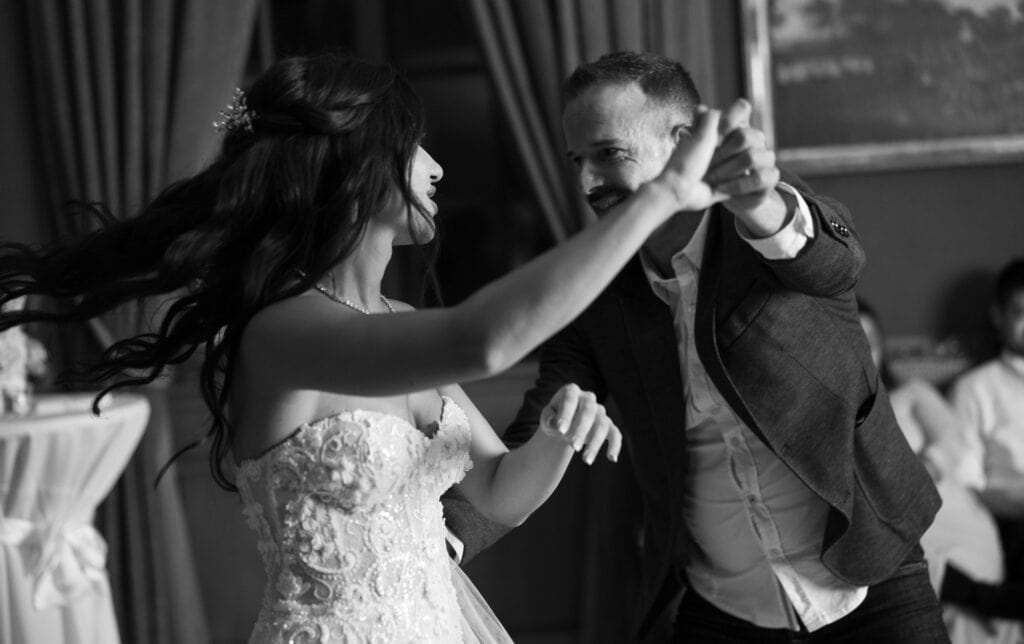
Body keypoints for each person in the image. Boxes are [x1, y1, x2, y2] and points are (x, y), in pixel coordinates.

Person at [0, 53, 737, 643]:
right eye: (415, 147)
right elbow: (484, 340)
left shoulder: (395, 319)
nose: (437, 168)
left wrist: (554, 436)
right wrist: (660, 196)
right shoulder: (284, 331)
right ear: (357, 166)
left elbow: (497, 494)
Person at [450, 51, 948, 642]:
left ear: (684, 144)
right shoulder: (593, 289)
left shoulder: (765, 229)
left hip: (869, 578)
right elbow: (539, 424)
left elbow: (835, 264)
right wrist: (442, 538)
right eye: (577, 160)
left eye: (608, 153)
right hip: (723, 608)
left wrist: (762, 202)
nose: (585, 183)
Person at [859, 300, 1023, 643]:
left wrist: (925, 467)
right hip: (898, 532)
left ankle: (981, 598)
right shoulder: (833, 427)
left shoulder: (911, 395)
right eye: (851, 341)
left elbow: (953, 438)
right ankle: (978, 598)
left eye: (870, 341)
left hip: (948, 505)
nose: (862, 351)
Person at [950, 258, 1024, 583]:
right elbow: (966, 487)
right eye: (1021, 313)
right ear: (998, 316)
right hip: (1011, 524)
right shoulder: (975, 388)